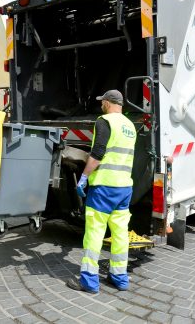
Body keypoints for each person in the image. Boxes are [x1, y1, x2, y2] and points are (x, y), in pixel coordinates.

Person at [66, 89, 137, 294]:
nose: (101, 105)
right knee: (120, 233)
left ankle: (89, 281)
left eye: (102, 102)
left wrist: (84, 177)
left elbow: (97, 154)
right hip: (124, 187)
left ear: (107, 103)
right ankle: (119, 277)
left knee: (95, 232)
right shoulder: (129, 126)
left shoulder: (104, 121)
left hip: (104, 187)